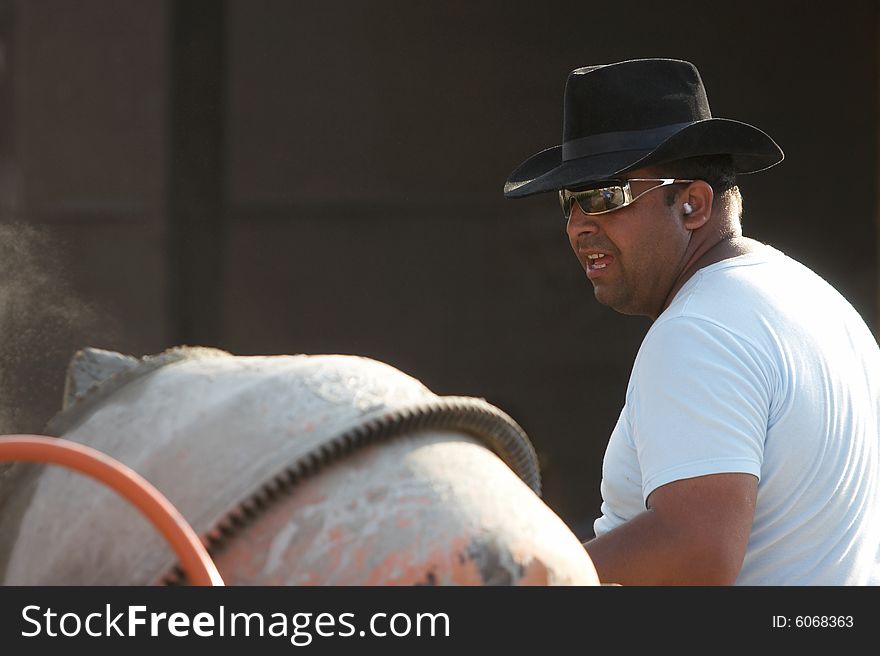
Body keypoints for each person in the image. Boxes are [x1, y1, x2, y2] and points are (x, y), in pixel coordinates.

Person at [503, 58, 880, 585]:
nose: (578, 226)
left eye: (606, 195)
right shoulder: (822, 305)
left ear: (693, 205)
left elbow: (694, 552)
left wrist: (513, 583)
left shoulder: (697, 330)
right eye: (570, 201)